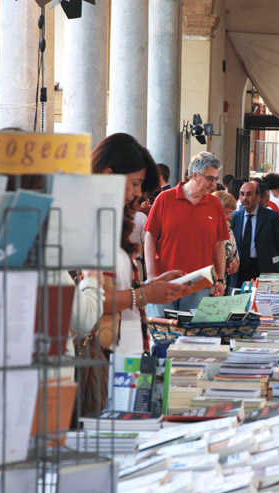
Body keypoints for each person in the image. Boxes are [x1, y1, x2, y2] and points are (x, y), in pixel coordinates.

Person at [91, 133, 188, 352]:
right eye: (135, 183)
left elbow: (119, 290)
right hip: (105, 356)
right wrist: (144, 295)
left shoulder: (111, 222)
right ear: (108, 175)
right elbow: (87, 302)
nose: (136, 194)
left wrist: (150, 286)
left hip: (127, 348)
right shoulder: (87, 225)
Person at [144, 151, 229, 317]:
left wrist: (220, 279)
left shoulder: (215, 204)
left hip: (199, 284)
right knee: (161, 334)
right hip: (164, 280)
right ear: (195, 176)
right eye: (210, 178)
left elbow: (220, 243)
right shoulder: (164, 199)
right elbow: (150, 238)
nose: (214, 185)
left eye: (216, 179)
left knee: (193, 338)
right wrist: (151, 277)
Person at [230, 181, 279, 286]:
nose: (244, 198)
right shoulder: (235, 217)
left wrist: (274, 263)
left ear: (258, 197)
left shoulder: (272, 217)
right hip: (241, 269)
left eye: (249, 194)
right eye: (242, 194)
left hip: (265, 268)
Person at [213, 190, 240, 291]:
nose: (230, 217)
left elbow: (234, 258)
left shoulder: (229, 232)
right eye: (227, 212)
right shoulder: (204, 230)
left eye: (231, 213)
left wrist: (233, 265)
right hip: (202, 286)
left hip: (221, 286)